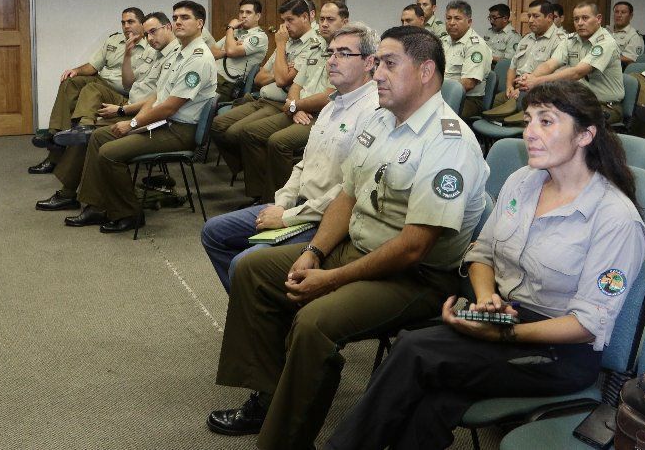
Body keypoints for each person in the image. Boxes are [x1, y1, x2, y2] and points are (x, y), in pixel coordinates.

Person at [206, 25, 489, 450]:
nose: (377, 74)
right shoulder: (382, 119)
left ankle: (283, 439)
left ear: (427, 71)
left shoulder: (450, 143)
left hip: (416, 277)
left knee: (314, 322)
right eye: (377, 64)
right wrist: (315, 252)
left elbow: (414, 247)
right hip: (357, 247)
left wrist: (331, 278)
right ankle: (271, 397)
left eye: (390, 64)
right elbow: (348, 194)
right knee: (252, 270)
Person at [324, 81, 645, 450]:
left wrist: (501, 334)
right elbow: (482, 254)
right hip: (504, 320)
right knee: (433, 401)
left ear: (585, 135)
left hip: (559, 353)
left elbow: (587, 326)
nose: (530, 134)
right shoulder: (523, 181)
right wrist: (485, 301)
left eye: (547, 122)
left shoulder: (615, 219)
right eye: (528, 121)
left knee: (416, 349)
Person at [200, 22, 379, 293]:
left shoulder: (374, 111)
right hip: (296, 205)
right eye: (330, 53)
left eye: (343, 53)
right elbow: (303, 164)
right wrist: (282, 202)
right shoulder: (333, 105)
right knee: (213, 232)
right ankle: (263, 307)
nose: (331, 60)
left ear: (369, 62)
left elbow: (349, 194)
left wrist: (288, 217)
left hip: (323, 218)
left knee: (244, 263)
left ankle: (264, 309)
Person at [60, 0, 217, 234]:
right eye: (175, 18)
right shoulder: (180, 54)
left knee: (109, 153)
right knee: (100, 136)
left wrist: (132, 124)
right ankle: (96, 206)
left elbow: (169, 107)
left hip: (180, 130)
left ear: (200, 23)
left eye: (185, 17)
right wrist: (134, 121)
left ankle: (129, 214)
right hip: (165, 123)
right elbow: (157, 95)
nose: (178, 22)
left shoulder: (198, 58)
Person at [35, 11, 176, 211]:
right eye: (149, 34)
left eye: (153, 32)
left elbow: (159, 101)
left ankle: (88, 201)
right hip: (134, 106)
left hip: (145, 115)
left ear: (167, 28)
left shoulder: (173, 56)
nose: (151, 38)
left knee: (94, 136)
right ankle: (73, 190)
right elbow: (132, 84)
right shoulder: (157, 52)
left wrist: (122, 110)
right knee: (86, 130)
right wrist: (127, 54)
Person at [211, 0, 324, 200]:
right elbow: (260, 77)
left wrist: (280, 48)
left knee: (246, 134)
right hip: (264, 97)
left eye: (289, 20)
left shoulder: (311, 44)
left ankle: (264, 193)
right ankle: (256, 174)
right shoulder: (289, 40)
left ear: (306, 17)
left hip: (281, 103)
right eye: (283, 20)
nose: (284, 26)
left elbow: (283, 80)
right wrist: (279, 72)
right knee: (219, 126)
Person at [241, 1, 350, 201]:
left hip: (325, 116)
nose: (324, 24)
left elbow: (330, 95)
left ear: (345, 22)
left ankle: (283, 200)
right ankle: (260, 195)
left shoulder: (348, 54)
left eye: (330, 20)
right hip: (299, 109)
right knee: (250, 133)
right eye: (322, 19)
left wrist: (294, 105)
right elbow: (295, 86)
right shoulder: (315, 48)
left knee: (278, 142)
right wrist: (294, 106)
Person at [28, 7, 147, 174]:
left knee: (90, 91)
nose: (126, 26)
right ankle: (54, 134)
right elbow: (93, 66)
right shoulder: (114, 41)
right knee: (70, 82)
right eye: (123, 22)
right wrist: (76, 70)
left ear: (142, 24)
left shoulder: (150, 46)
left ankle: (60, 150)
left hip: (121, 94)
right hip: (101, 82)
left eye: (131, 22)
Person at [508, 1, 624, 124]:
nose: (580, 23)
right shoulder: (570, 40)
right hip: (577, 101)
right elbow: (550, 64)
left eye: (585, 18)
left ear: (598, 19)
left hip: (604, 106)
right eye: (576, 19)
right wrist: (531, 77)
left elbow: (577, 73)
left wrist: (536, 81)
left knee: (552, 121)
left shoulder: (605, 43)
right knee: (537, 115)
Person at [482, 0, 561, 121]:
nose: (530, 20)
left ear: (549, 17)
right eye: (529, 16)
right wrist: (509, 86)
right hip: (515, 89)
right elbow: (513, 66)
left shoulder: (560, 41)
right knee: (486, 106)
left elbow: (555, 77)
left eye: (535, 16)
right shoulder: (526, 39)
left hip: (540, 92)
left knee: (508, 118)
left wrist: (521, 89)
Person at [211, 0, 268, 103]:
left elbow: (232, 51)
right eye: (241, 12)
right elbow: (211, 52)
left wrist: (229, 28)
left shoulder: (259, 37)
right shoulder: (236, 32)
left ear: (258, 16)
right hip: (212, 76)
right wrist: (226, 51)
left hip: (226, 85)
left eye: (248, 12)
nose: (243, 15)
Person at [443, 0, 493, 119]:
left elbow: (468, 83)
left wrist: (436, 96)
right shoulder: (443, 41)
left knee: (438, 115)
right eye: (448, 18)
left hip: (468, 99)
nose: (452, 23)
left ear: (469, 22)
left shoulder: (476, 46)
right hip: (442, 94)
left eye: (457, 18)